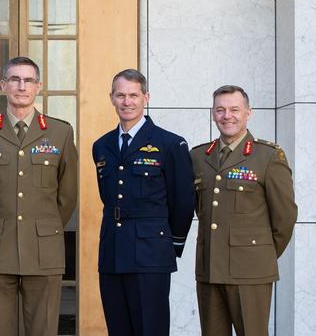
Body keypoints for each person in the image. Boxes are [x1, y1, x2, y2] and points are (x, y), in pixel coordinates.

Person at [0, 56, 78, 336]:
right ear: (3, 85)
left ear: (39, 87)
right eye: (14, 79)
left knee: (43, 329)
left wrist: (43, 226)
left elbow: (68, 195)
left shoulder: (61, 132)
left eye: (28, 80)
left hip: (43, 249)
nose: (21, 86)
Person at [92, 69, 194, 335]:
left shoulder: (170, 144)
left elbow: (182, 201)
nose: (127, 102)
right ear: (112, 98)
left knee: (150, 328)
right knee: (118, 328)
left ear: (146, 97)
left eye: (133, 95)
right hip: (112, 250)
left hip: (151, 252)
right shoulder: (101, 145)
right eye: (121, 95)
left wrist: (170, 244)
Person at [190, 85, 297, 336]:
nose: (227, 116)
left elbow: (285, 217)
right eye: (220, 110)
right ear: (213, 114)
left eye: (234, 109)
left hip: (251, 271)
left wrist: (259, 253)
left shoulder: (268, 156)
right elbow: (200, 209)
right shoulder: (198, 157)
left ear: (248, 113)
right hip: (209, 269)